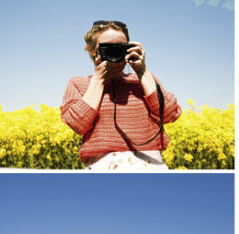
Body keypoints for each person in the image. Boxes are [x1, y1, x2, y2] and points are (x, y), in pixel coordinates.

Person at [60, 20, 181, 170]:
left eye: (120, 47)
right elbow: (77, 125)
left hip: (149, 164)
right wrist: (99, 79)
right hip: (104, 168)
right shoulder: (79, 84)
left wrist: (142, 71)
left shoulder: (143, 80)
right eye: (108, 48)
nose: (115, 52)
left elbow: (169, 115)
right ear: (92, 50)